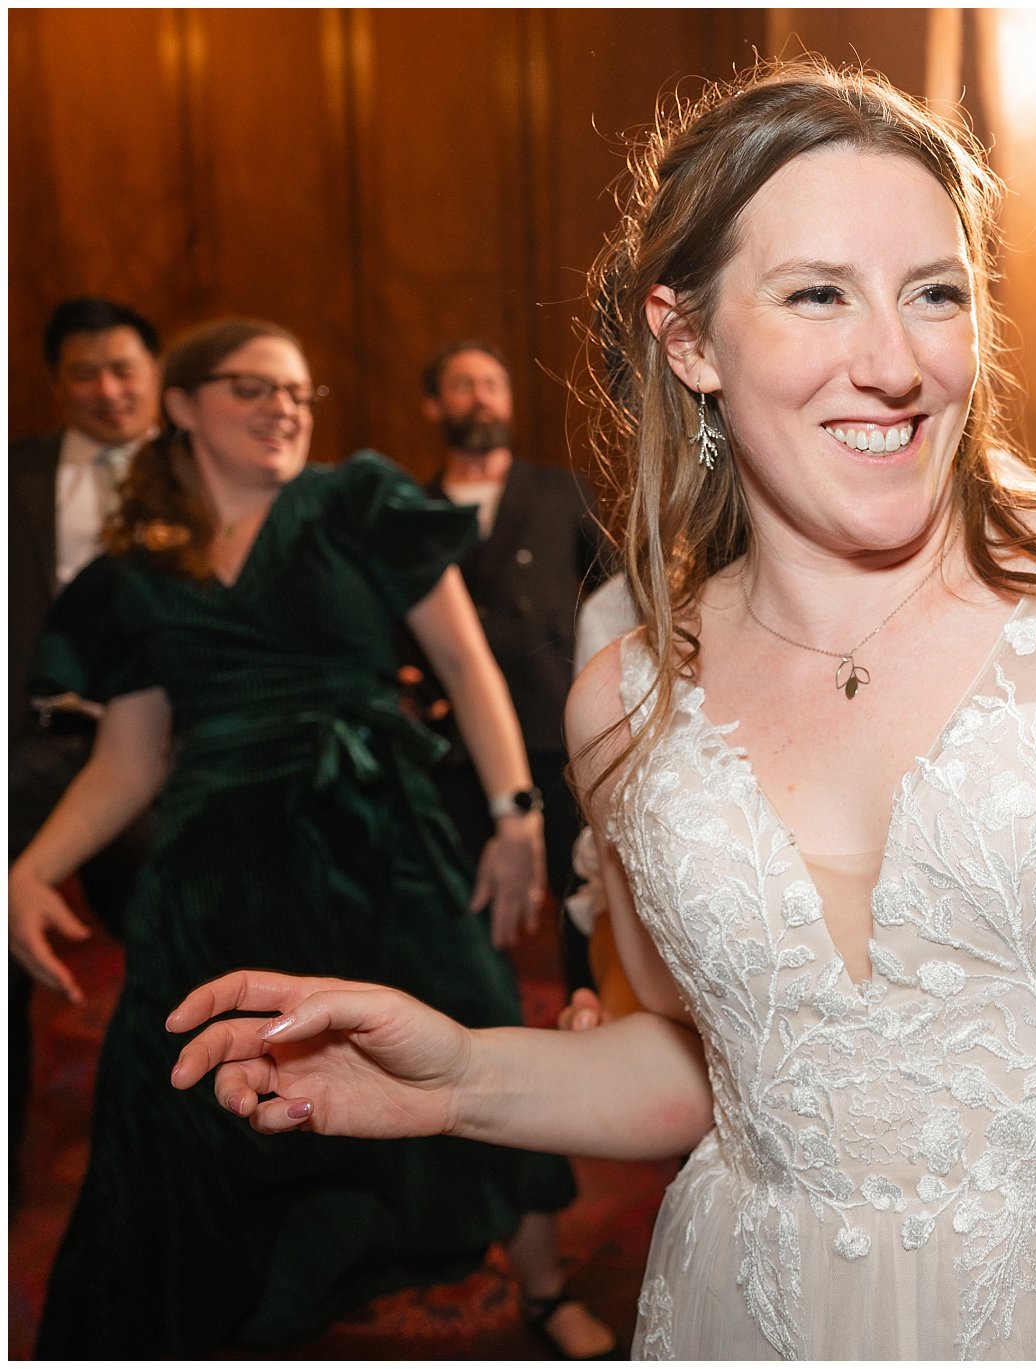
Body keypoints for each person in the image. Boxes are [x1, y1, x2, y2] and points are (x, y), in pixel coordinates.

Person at [167, 63, 1036, 1360]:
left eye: (935, 295)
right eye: (817, 295)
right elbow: (722, 1074)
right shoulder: (624, 701)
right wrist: (465, 1074)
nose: (896, 363)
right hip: (762, 1303)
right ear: (687, 339)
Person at [6, 317, 615, 1357]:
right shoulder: (142, 568)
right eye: (252, 388)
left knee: (475, 1028)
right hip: (218, 868)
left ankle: (544, 1287)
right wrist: (30, 867)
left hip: (384, 837)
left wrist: (515, 814)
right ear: (184, 407)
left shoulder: (357, 504)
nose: (284, 406)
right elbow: (127, 759)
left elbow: (468, 671)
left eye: (296, 391)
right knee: (187, 1088)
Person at [7, 296, 163, 1206]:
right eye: (83, 374)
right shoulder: (14, 474)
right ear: (56, 384)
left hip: (154, 755)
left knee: (173, 937)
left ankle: (165, 1154)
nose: (106, 391)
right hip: (26, 743)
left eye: (123, 371)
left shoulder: (202, 474)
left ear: (155, 378)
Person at [410, 338, 609, 995]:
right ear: (434, 406)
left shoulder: (562, 489)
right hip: (455, 742)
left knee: (581, 885)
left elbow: (616, 593)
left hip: (556, 719)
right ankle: (479, 1014)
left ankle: (590, 1006)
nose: (482, 397)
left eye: (494, 383)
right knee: (462, 900)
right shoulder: (410, 509)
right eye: (464, 385)